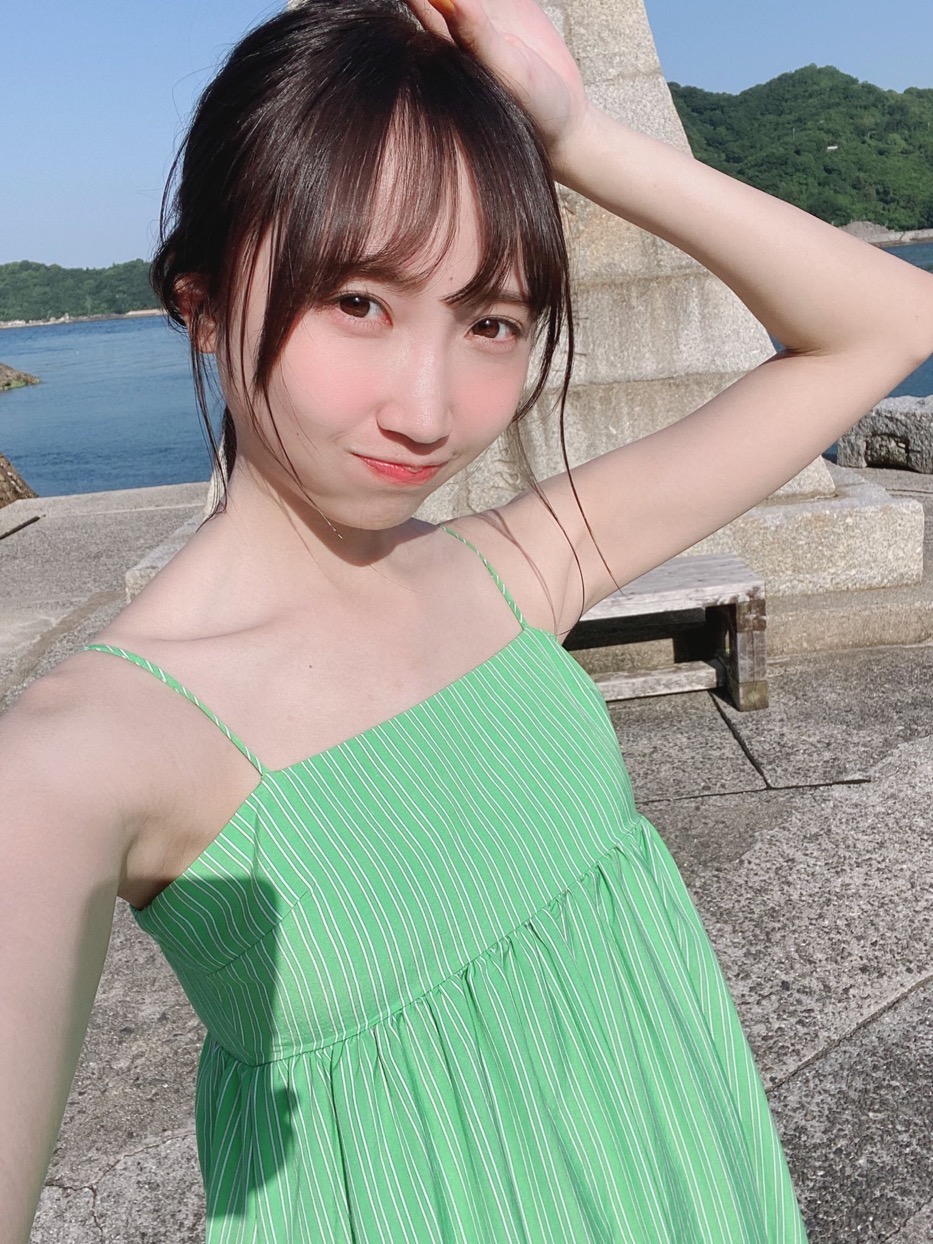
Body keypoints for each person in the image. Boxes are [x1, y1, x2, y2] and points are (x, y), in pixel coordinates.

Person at [2, 0, 931, 1239]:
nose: (429, 410)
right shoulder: (85, 750)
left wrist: (580, 136)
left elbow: (888, 323)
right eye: (358, 302)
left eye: (491, 321)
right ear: (205, 305)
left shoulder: (515, 568)